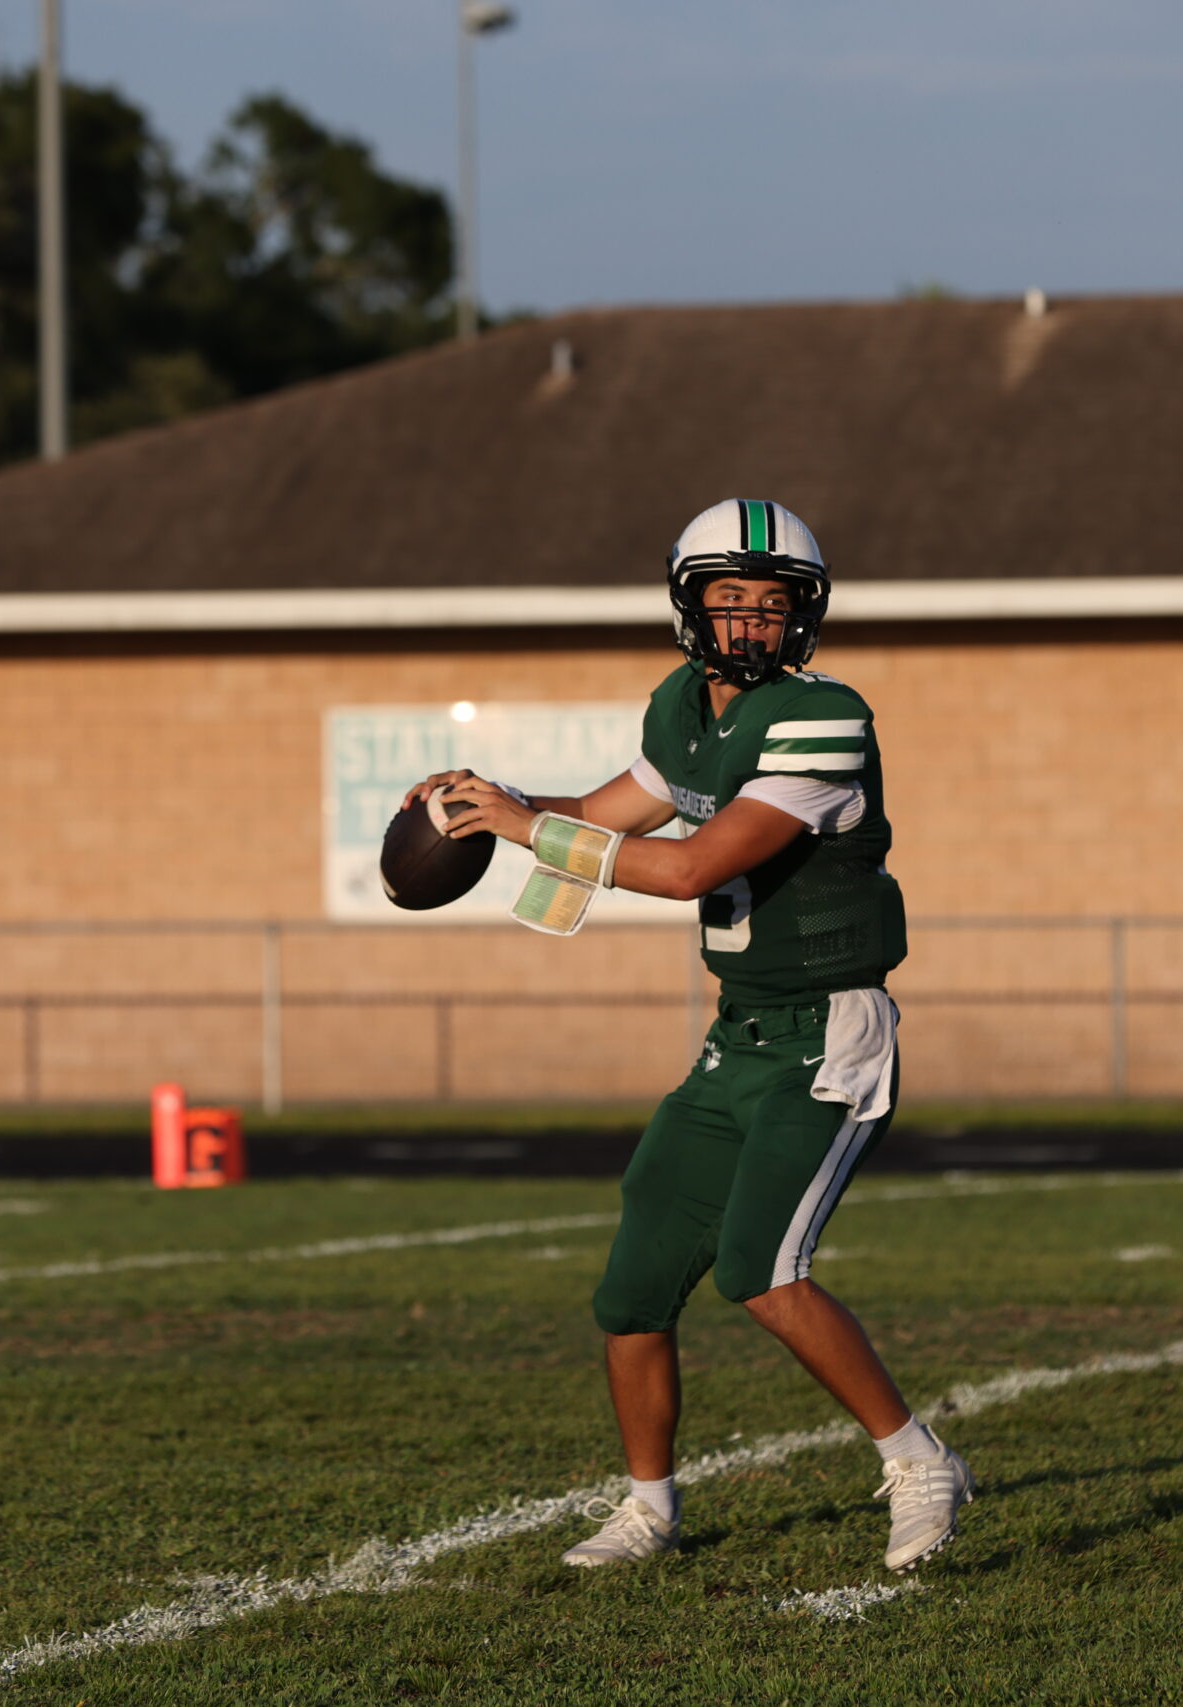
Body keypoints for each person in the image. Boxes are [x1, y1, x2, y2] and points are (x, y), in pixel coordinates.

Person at [407, 498, 974, 1572]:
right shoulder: (683, 710)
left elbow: (688, 869)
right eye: (731, 600)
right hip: (739, 1034)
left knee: (761, 1269)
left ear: (804, 616)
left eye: (773, 604)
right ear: (689, 605)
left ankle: (918, 1461)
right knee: (632, 1284)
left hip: (828, 1033)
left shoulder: (825, 717)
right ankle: (648, 1510)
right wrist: (490, 802)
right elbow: (616, 812)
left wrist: (530, 830)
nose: (752, 622)